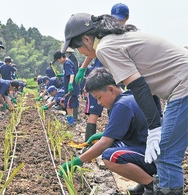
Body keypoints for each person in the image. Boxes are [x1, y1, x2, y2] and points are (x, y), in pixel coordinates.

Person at [61, 12, 188, 194]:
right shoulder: (116, 39)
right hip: (181, 86)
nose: (82, 54)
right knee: (165, 151)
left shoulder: (105, 48)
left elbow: (138, 86)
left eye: (79, 49)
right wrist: (156, 122)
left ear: (87, 39)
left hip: (183, 86)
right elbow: (147, 86)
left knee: (166, 153)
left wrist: (154, 127)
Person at [59, 68, 157, 194]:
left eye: (99, 97)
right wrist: (100, 135)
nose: (99, 103)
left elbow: (105, 143)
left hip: (153, 155)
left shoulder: (122, 105)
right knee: (111, 145)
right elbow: (118, 132)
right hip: (146, 148)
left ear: (111, 89)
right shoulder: (126, 98)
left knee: (110, 156)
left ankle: (151, 186)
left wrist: (77, 161)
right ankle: (143, 184)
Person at [74, 3, 130, 142]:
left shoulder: (126, 36)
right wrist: (82, 68)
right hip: (98, 78)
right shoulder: (104, 32)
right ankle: (88, 145)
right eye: (115, 18)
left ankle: (113, 141)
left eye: (121, 19)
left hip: (115, 79)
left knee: (116, 110)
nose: (118, 22)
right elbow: (91, 51)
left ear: (127, 18)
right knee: (94, 112)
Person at [53, 50, 79, 125]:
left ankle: (71, 122)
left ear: (61, 57)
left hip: (70, 89)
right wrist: (62, 75)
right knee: (73, 104)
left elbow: (71, 74)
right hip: (74, 87)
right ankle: (74, 119)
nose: (58, 62)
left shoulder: (66, 63)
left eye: (58, 60)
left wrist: (70, 84)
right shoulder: (69, 62)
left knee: (68, 105)